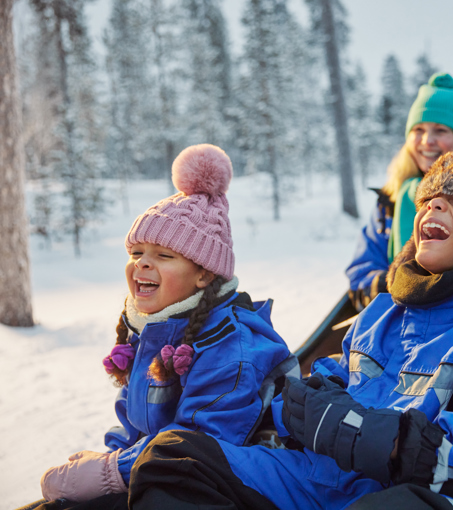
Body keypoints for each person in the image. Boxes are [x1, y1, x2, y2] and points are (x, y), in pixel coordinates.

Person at [126, 150, 453, 510]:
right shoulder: (380, 315)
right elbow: (333, 377)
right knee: (174, 457)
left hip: (399, 495)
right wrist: (310, 400)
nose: (433, 205)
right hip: (315, 481)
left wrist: (381, 438)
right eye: (428, 199)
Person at [37, 145, 298, 506]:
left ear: (204, 274)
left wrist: (110, 472)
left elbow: (201, 443)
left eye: (163, 255)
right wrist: (105, 462)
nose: (142, 264)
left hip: (239, 486)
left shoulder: (232, 346)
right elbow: (133, 419)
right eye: (135, 253)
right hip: (163, 473)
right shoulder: (154, 328)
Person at [346, 72, 453, 310]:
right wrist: (386, 285)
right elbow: (362, 269)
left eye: (440, 130)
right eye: (418, 130)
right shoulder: (390, 202)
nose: (427, 141)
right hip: (396, 317)